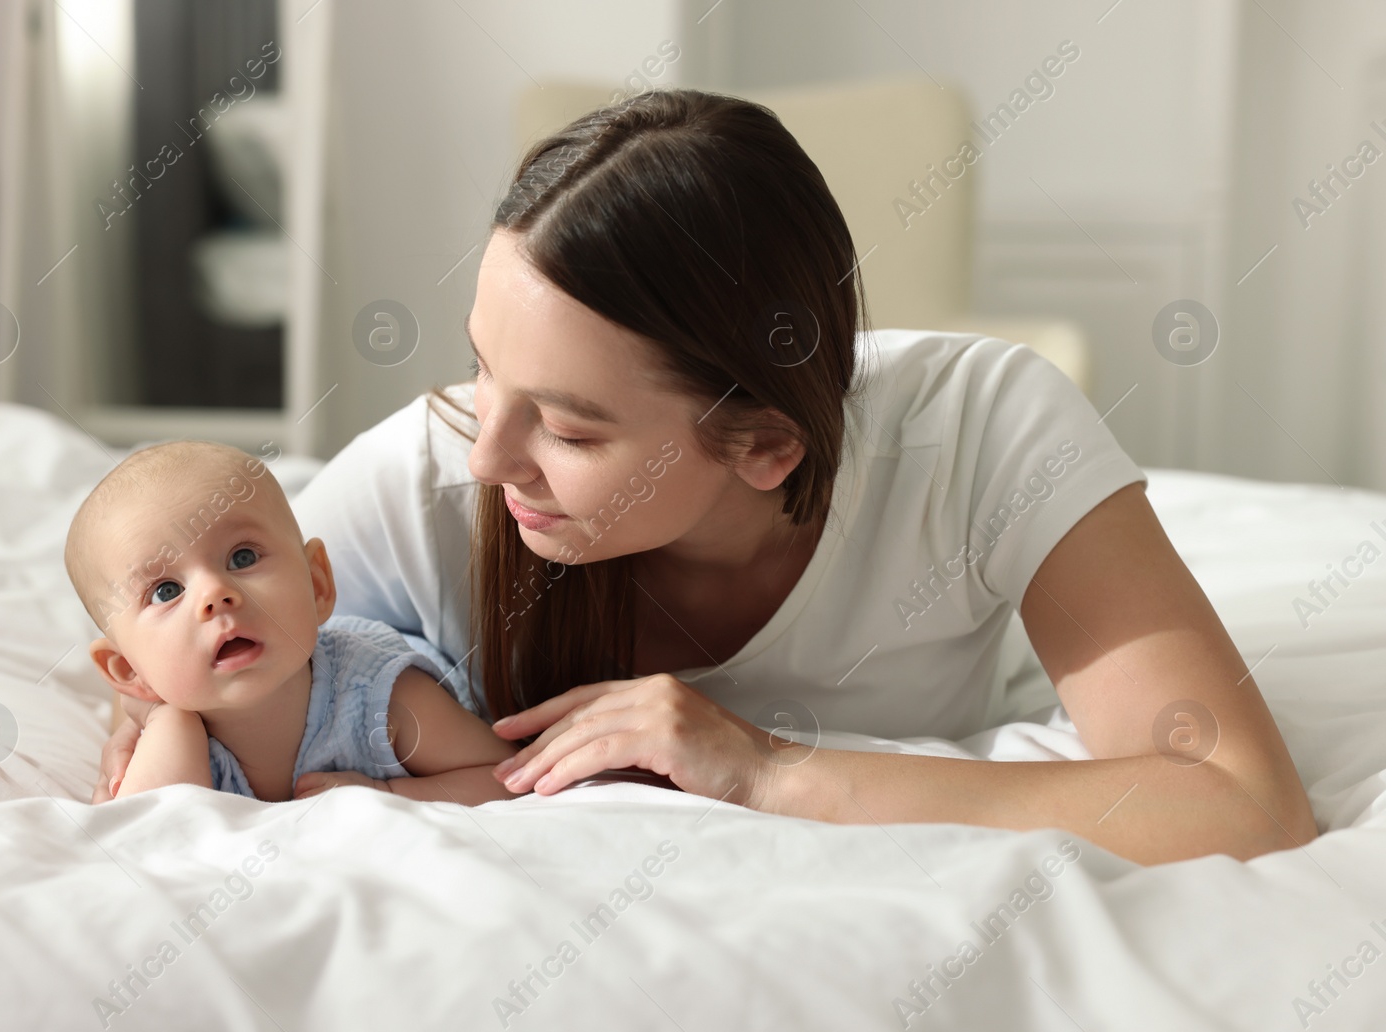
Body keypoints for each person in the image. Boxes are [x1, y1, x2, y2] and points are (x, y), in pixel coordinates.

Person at [94, 88, 1316, 865]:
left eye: (570, 431)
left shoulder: (983, 431)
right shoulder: (427, 485)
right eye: (482, 377)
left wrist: (766, 767)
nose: (487, 458)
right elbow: (177, 651)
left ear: (766, 446)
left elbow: (1239, 801)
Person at [66, 440, 516, 804]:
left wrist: (388, 792)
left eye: (241, 557)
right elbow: (152, 833)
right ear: (129, 673)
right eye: (166, 591)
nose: (214, 595)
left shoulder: (383, 697)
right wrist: (166, 721)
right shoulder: (174, 730)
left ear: (317, 584)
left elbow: (501, 776)